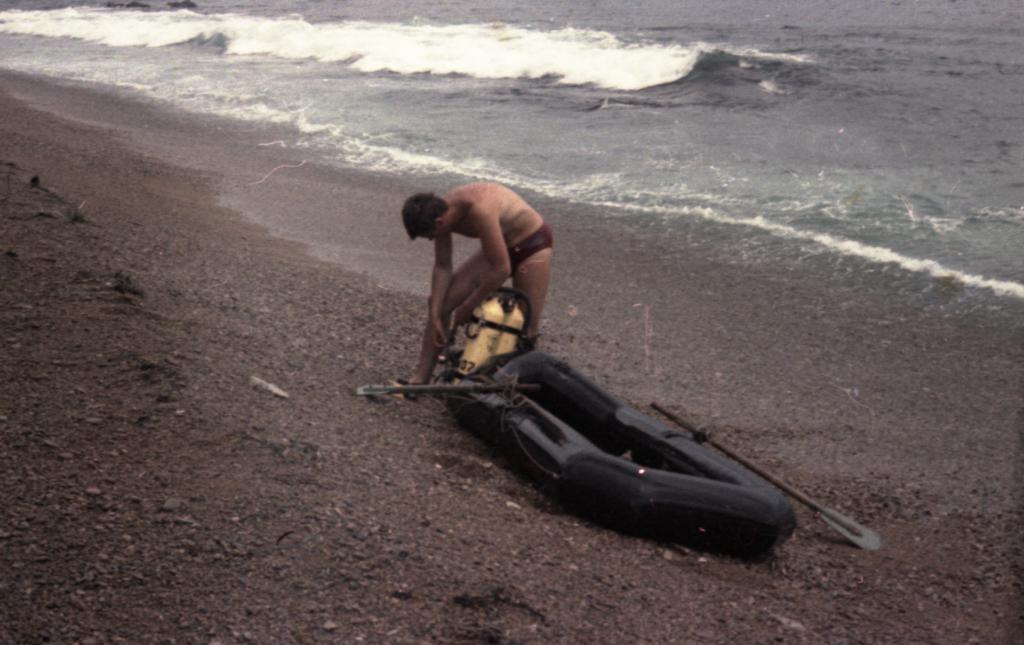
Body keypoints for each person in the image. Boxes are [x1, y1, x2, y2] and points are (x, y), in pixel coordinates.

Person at [402, 182, 553, 384]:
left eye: (430, 236)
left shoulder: (481, 210)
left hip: (532, 244)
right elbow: (442, 266)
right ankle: (420, 378)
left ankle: (519, 383)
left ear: (439, 223)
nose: (431, 240)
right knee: (441, 302)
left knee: (527, 327)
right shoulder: (440, 213)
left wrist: (468, 306)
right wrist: (436, 312)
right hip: (501, 246)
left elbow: (501, 270)